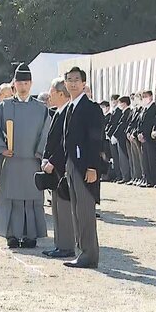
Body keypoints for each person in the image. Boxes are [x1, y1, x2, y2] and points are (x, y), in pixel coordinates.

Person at [0, 63, 50, 248]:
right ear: (14, 84)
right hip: (10, 161)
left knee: (32, 199)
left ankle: (31, 235)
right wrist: (1, 148)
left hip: (32, 162)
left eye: (26, 83)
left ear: (31, 84)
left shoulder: (41, 109)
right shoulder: (4, 107)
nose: (23, 87)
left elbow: (47, 133)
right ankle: (12, 235)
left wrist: (40, 152)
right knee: (11, 198)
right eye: (19, 83)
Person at [61, 66, 104, 269]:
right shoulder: (70, 107)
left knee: (85, 211)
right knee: (76, 210)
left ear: (84, 83)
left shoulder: (90, 108)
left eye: (76, 80)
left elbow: (96, 139)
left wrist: (93, 167)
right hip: (71, 164)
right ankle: (81, 251)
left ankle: (89, 254)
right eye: (69, 80)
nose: (73, 83)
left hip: (85, 166)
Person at [41, 77, 76, 258]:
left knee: (64, 209)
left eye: (52, 92)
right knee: (56, 207)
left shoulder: (68, 113)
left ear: (61, 93)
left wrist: (53, 161)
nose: (49, 95)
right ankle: (60, 244)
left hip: (62, 168)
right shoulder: (58, 112)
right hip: (54, 168)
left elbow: (65, 143)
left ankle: (66, 246)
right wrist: (45, 158)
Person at [138, 90, 156, 187]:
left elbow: (151, 123)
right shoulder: (144, 109)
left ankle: (154, 180)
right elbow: (141, 123)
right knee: (145, 160)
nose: (144, 98)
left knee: (152, 160)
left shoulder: (154, 108)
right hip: (143, 138)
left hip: (150, 138)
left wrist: (145, 134)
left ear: (151, 97)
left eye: (145, 96)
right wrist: (139, 133)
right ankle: (147, 179)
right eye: (143, 97)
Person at [112, 96, 133, 184]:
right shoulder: (124, 112)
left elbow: (122, 125)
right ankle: (124, 176)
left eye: (120, 103)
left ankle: (126, 176)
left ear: (124, 103)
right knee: (121, 158)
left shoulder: (127, 112)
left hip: (122, 138)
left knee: (124, 157)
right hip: (120, 138)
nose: (119, 105)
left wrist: (115, 134)